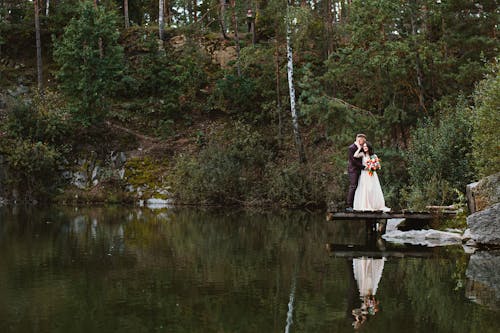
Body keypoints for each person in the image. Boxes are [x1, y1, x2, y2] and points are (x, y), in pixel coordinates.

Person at [353, 142, 390, 212]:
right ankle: (365, 205)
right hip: (364, 174)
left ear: (369, 147)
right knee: (365, 188)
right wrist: (359, 148)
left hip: (372, 174)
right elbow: (355, 155)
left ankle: (374, 205)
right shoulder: (362, 154)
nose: (365, 147)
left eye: (366, 146)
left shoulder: (374, 156)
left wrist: (373, 167)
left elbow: (378, 166)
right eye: (364, 146)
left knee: (372, 188)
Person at [346, 134, 366, 211]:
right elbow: (353, 161)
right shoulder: (351, 148)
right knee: (353, 186)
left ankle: (356, 205)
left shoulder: (361, 147)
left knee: (358, 187)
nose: (363, 142)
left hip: (360, 170)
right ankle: (349, 205)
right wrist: (363, 167)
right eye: (362, 140)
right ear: (358, 139)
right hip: (353, 170)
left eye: (364, 141)